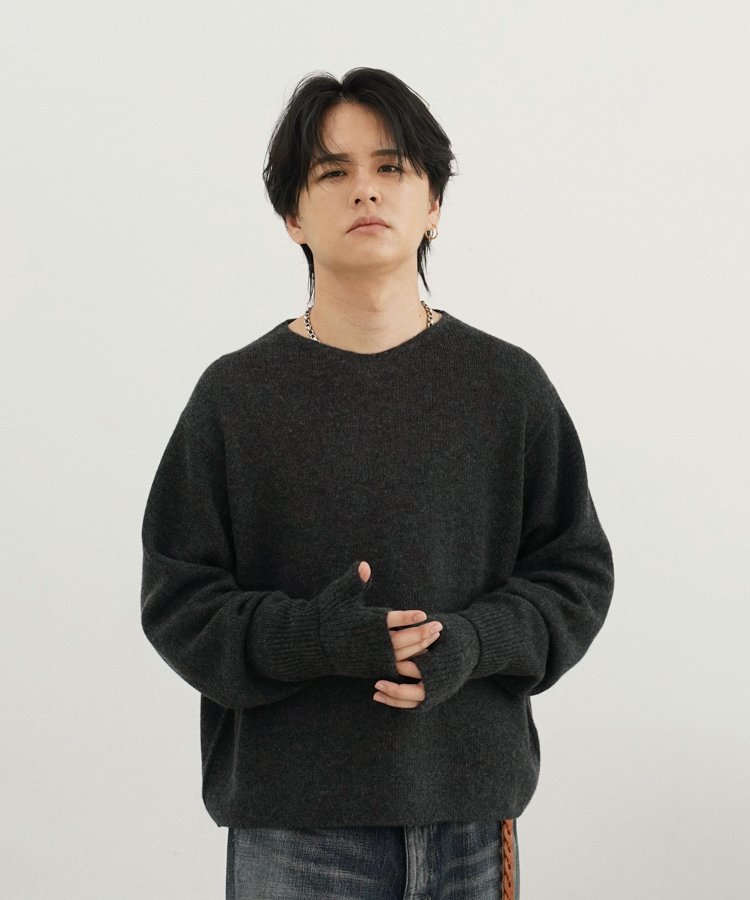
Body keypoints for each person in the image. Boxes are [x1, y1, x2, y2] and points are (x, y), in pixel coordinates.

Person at [140, 67, 615, 900]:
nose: (365, 189)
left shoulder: (506, 386)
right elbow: (180, 603)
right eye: (333, 172)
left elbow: (574, 577)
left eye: (391, 167)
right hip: (293, 827)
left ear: (434, 203)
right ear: (293, 215)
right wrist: (316, 639)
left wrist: (473, 643)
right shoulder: (235, 398)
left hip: (471, 818)